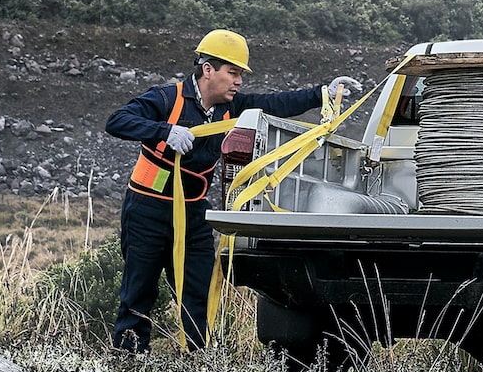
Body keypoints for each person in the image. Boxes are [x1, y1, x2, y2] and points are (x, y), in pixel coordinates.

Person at [106, 29, 361, 353]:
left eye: (241, 74)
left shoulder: (232, 108)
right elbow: (117, 121)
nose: (239, 81)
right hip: (147, 211)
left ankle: (197, 366)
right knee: (138, 294)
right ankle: (127, 368)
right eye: (233, 72)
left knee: (196, 295)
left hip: (195, 215)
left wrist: (322, 93)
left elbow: (275, 104)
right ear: (208, 69)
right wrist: (163, 131)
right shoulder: (165, 100)